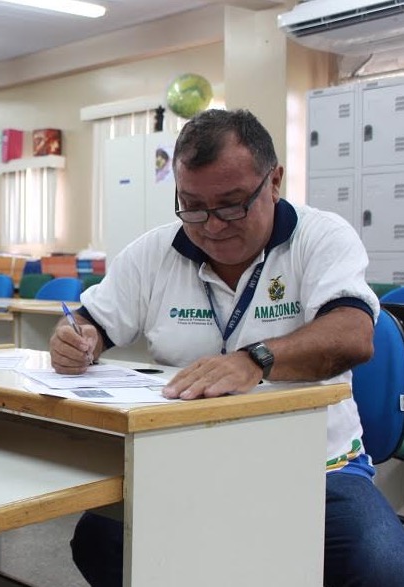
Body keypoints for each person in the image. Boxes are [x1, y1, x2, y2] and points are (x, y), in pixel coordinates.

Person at [50, 109, 404, 587]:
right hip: (186, 465)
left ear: (273, 181)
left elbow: (353, 334)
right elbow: (89, 322)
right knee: (100, 541)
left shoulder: (321, 237)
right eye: (193, 206)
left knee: (380, 565)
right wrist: (77, 339)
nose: (212, 226)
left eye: (232, 205)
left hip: (317, 468)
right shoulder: (153, 253)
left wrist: (256, 360)